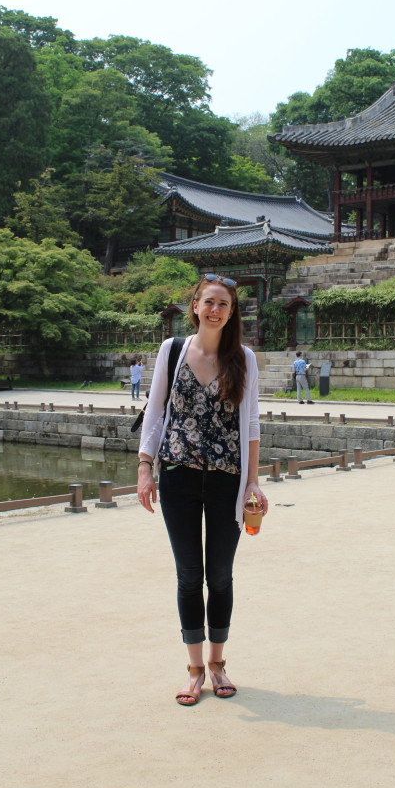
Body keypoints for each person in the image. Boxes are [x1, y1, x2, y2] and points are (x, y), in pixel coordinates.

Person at [137, 272, 268, 706]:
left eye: (223, 304)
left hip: (227, 479)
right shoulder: (172, 351)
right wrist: (144, 467)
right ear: (195, 306)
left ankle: (217, 662)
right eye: (208, 302)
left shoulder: (243, 358)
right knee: (189, 575)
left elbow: (249, 423)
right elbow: (155, 411)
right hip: (178, 475)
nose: (215, 310)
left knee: (221, 576)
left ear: (231, 313)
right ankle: (194, 668)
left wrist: (252, 481)